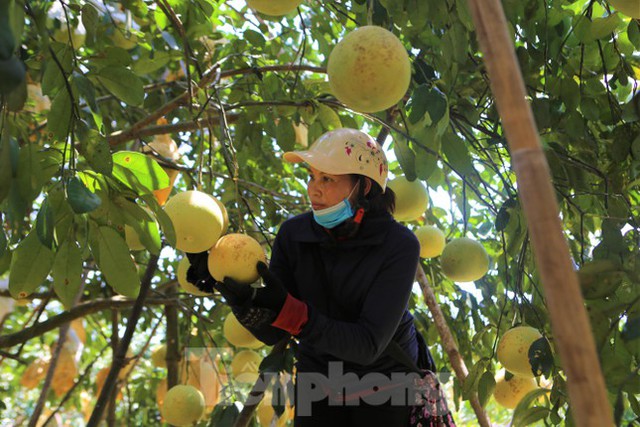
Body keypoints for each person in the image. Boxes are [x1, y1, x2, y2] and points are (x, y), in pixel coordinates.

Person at [187, 128, 454, 426]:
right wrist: (237, 296)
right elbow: (275, 332)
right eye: (312, 176)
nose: (313, 189)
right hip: (320, 383)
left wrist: (293, 313)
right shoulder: (294, 235)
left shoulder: (399, 245)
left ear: (364, 187)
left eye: (327, 179)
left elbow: (367, 345)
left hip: (388, 385)